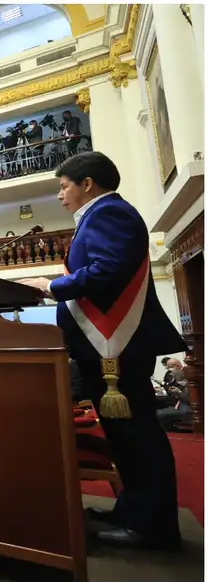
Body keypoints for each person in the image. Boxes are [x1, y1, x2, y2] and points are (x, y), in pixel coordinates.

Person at [17, 151, 185, 551]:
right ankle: (133, 512)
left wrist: (51, 285)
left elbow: (108, 270)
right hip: (109, 349)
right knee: (125, 438)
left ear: (86, 183)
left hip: (118, 347)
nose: (60, 196)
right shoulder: (99, 216)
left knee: (137, 437)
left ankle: (152, 528)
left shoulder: (110, 214)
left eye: (63, 187)